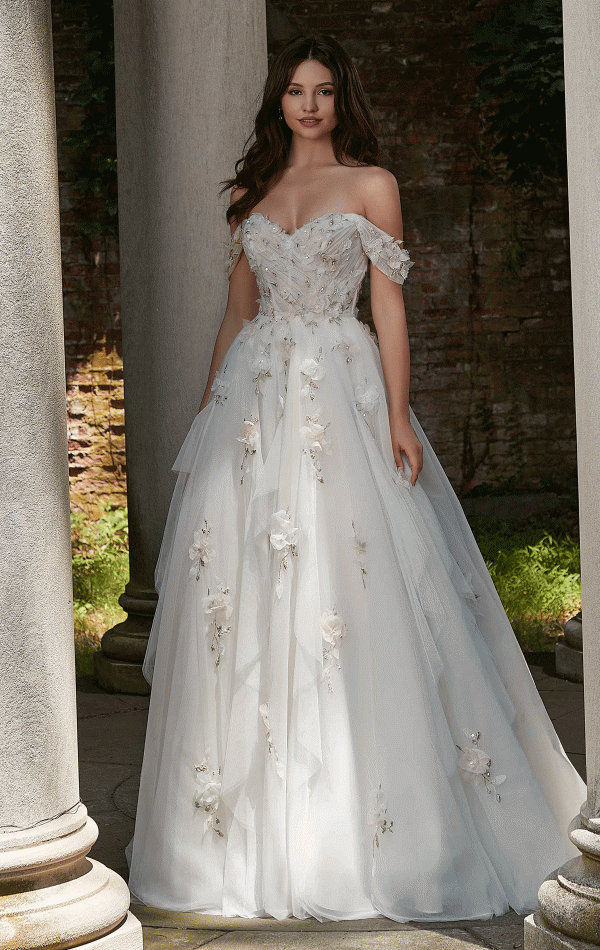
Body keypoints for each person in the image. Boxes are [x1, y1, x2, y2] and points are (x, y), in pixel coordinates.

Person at [126, 34, 586, 922]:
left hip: (342, 389)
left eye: (323, 91)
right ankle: (249, 837)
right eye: (295, 91)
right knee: (246, 600)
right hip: (252, 406)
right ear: (279, 101)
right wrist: (208, 416)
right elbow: (234, 317)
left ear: (342, 102)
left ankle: (380, 823)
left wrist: (400, 414)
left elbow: (389, 312)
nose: (308, 105)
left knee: (356, 588)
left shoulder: (373, 187)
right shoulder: (248, 197)